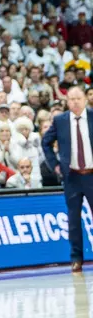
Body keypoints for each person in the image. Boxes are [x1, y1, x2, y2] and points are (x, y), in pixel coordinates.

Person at [42, 86, 93, 272]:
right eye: (71, 99)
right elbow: (45, 142)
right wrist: (55, 165)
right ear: (67, 101)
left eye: (78, 98)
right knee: (73, 220)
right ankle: (77, 258)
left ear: (85, 99)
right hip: (71, 177)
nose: (76, 102)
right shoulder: (60, 120)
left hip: (91, 174)